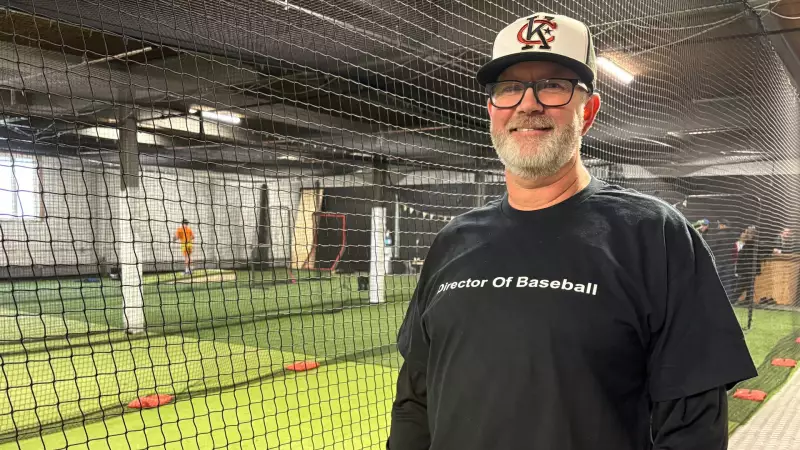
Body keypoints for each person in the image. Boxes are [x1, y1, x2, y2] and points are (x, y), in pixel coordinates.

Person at [388, 13, 756, 450]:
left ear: (590, 110)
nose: (528, 104)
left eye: (553, 85)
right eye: (509, 88)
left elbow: (694, 427)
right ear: (492, 110)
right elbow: (415, 400)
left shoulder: (656, 236)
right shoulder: (453, 240)